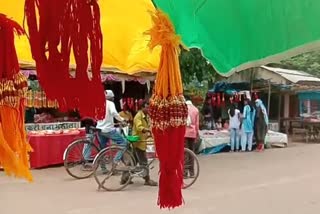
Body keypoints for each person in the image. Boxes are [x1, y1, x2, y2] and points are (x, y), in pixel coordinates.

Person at [129, 101, 157, 186]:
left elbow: (149, 125)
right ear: (142, 107)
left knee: (132, 161)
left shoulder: (146, 116)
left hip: (140, 141)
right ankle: (147, 179)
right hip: (138, 141)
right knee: (144, 162)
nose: (148, 109)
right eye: (147, 107)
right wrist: (147, 130)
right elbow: (139, 127)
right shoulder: (138, 116)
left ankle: (125, 178)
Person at [184, 96, 199, 178]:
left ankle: (185, 172)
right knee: (192, 153)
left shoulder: (183, 108)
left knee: (185, 153)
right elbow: (197, 124)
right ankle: (192, 172)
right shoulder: (195, 109)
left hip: (184, 133)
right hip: (192, 133)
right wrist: (197, 134)